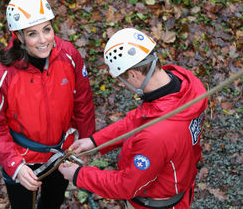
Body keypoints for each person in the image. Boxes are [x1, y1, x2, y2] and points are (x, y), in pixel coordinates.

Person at [59, 28, 208, 209]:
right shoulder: (182, 88)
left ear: (134, 75)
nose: (125, 86)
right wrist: (95, 141)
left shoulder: (157, 135)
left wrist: (78, 175)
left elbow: (127, 185)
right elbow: (137, 121)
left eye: (124, 81)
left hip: (155, 202)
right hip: (175, 181)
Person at [0, 0, 95, 209]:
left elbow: (83, 104)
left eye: (47, 29)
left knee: (53, 202)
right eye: (33, 34)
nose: (43, 40)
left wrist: (86, 142)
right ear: (19, 36)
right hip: (22, 158)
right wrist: (16, 166)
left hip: (61, 153)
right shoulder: (2, 72)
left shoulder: (69, 55)